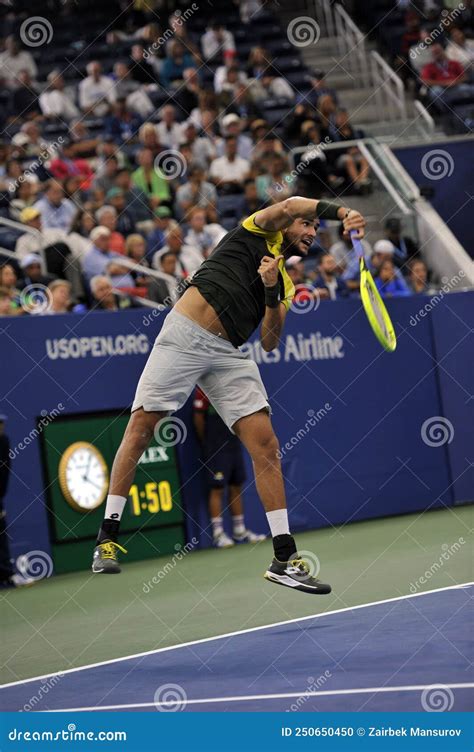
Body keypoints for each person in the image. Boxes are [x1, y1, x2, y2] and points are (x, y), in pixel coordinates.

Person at [91, 195, 366, 595]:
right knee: (141, 427)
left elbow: (271, 342)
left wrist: (271, 290)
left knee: (267, 445)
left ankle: (284, 559)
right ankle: (107, 538)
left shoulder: (287, 282)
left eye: (314, 229)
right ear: (288, 225)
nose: (310, 233)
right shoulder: (254, 230)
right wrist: (341, 212)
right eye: (307, 225)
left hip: (227, 354)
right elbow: (290, 204)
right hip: (184, 334)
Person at [193, 387, 266, 548]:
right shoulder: (203, 389)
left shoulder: (232, 385)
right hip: (214, 447)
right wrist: (207, 443)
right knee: (217, 488)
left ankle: (239, 530)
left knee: (236, 485)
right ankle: (218, 533)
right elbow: (198, 418)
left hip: (233, 444)